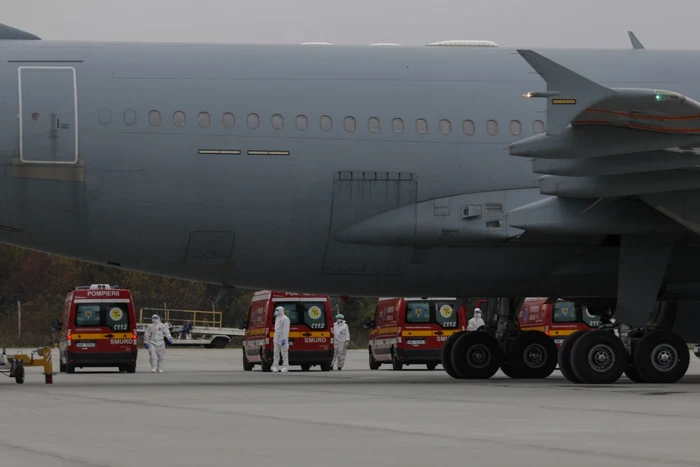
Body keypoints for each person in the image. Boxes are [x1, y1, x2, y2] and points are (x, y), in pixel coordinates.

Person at [272, 306, 290, 373]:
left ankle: (285, 366)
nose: (276, 312)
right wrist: (275, 337)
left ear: (281, 310)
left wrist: (284, 339)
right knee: (276, 352)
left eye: (277, 310)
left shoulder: (285, 319)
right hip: (276, 336)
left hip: (282, 337)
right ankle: (275, 366)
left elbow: (286, 329)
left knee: (284, 352)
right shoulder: (277, 318)